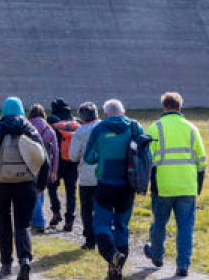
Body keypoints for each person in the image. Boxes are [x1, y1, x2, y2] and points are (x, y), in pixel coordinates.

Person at [0, 97, 50, 280]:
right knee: (23, 224)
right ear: (21, 110)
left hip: (0, 183)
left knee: (4, 223)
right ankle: (25, 260)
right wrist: (41, 185)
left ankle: (5, 266)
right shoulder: (30, 129)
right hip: (26, 183)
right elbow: (44, 159)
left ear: (4, 111)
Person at [142, 92, 207, 278]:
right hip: (187, 186)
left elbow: (147, 159)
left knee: (160, 223)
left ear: (164, 107)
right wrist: (198, 185)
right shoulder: (192, 128)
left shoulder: (155, 128)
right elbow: (202, 160)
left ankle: (157, 255)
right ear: (180, 107)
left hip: (163, 186)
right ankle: (183, 266)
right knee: (186, 228)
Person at [82, 98, 143, 280]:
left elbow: (88, 158)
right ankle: (115, 272)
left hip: (106, 185)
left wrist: (102, 156)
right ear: (123, 112)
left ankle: (112, 255)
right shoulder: (135, 126)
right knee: (122, 226)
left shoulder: (100, 128)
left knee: (101, 224)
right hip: (128, 185)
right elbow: (144, 155)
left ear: (106, 114)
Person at [66, 101, 100, 250]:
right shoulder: (104, 127)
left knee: (87, 209)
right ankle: (104, 236)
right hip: (105, 173)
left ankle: (90, 240)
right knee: (103, 207)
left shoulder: (80, 132)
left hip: (87, 176)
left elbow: (73, 156)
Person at [46, 98, 80, 230]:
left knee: (52, 187)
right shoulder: (75, 121)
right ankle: (69, 219)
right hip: (73, 161)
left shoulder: (51, 121)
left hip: (57, 161)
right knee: (71, 191)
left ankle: (56, 213)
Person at [27, 103, 59, 233]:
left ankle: (38, 221)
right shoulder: (49, 129)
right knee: (40, 191)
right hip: (46, 164)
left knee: (32, 193)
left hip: (30, 164)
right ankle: (36, 220)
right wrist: (54, 170)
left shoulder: (27, 126)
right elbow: (56, 151)